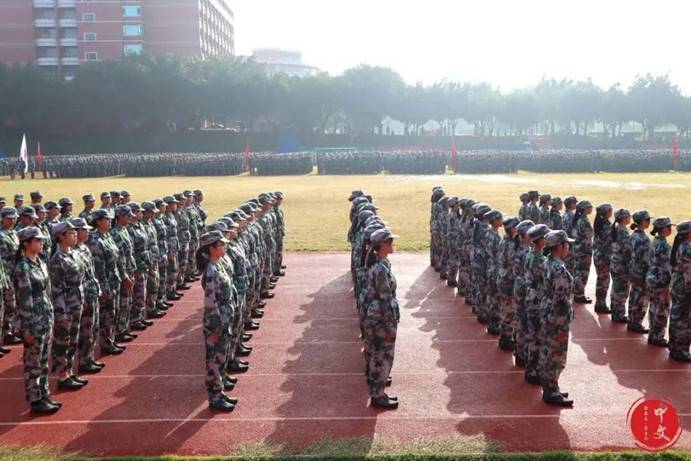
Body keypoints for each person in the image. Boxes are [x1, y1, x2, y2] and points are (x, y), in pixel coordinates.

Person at [15, 226, 61, 414]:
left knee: (43, 361)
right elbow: (24, 300)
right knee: (33, 363)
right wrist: (27, 329)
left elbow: (47, 292)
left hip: (45, 318)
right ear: (26, 243)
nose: (42, 242)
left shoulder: (40, 262)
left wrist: (51, 317)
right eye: (37, 240)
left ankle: (44, 394)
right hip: (33, 321)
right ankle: (35, 400)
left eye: (42, 240)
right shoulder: (23, 267)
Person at [198, 230, 238, 412]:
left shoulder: (218, 265)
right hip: (216, 322)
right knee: (214, 361)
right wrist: (215, 327)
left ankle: (220, 393)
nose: (224, 246)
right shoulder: (211, 271)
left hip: (224, 317)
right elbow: (210, 302)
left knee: (221, 357)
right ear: (212, 249)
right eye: (220, 244)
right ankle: (214, 398)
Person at [49, 221, 88, 391]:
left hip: (76, 303)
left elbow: (80, 280)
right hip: (65, 307)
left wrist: (82, 300)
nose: (75, 235)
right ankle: (62, 376)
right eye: (71, 233)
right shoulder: (57, 260)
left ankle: (70, 372)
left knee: (73, 339)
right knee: (62, 342)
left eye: (74, 232)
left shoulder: (74, 254)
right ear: (61, 237)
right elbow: (56, 289)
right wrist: (61, 312)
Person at [364, 228, 400, 409]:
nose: (393, 244)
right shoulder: (380, 269)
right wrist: (386, 327)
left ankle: (377, 391)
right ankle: (377, 395)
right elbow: (385, 299)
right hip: (381, 318)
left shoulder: (382, 264)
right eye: (390, 241)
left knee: (378, 355)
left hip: (378, 315)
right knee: (382, 357)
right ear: (382, 245)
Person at [540, 230, 575, 407]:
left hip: (548, 311)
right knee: (556, 354)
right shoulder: (558, 268)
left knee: (549, 350)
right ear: (559, 247)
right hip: (557, 316)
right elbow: (560, 296)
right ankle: (551, 390)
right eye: (566, 244)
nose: (568, 247)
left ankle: (551, 386)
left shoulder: (548, 262)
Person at [88, 209, 125, 356]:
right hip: (106, 283)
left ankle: (111, 340)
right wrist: (105, 288)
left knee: (113, 313)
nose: (110, 221)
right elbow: (99, 268)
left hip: (113, 281)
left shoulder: (107, 237)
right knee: (107, 315)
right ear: (98, 222)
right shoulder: (96, 241)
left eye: (110, 219)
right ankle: (106, 343)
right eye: (107, 219)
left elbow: (116, 258)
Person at [72, 218, 105, 374]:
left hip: (92, 291)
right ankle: (84, 361)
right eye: (83, 230)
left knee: (93, 327)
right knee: (85, 330)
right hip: (83, 295)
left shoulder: (84, 248)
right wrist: (82, 298)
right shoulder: (73, 252)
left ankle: (89, 358)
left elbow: (92, 272)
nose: (87, 233)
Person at [523, 223, 549, 385]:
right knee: (537, 337)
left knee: (532, 335)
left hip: (531, 297)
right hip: (537, 300)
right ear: (540, 240)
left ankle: (531, 369)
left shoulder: (531, 254)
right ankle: (533, 371)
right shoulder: (540, 260)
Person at [647, 217, 673, 347]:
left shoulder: (653, 242)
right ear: (664, 229)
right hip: (661, 280)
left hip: (652, 278)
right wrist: (668, 284)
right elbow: (667, 267)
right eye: (669, 227)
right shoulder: (665, 246)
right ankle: (657, 337)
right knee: (662, 310)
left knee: (653, 307)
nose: (670, 229)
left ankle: (653, 334)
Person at [513, 219, 534, 368]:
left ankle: (519, 352)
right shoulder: (526, 251)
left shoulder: (519, 247)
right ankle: (521, 353)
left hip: (519, 285)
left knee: (520, 321)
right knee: (524, 322)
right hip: (524, 288)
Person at [669, 221, 691, 362]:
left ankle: (674, 346)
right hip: (684, 288)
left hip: (677, 284)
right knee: (684, 320)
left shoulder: (679, 246)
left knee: (676, 316)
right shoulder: (687, 249)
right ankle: (680, 350)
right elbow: (689, 273)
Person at [628, 210, 652, 333]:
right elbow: (647, 259)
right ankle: (636, 323)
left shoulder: (634, 235)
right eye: (648, 220)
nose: (649, 222)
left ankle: (632, 320)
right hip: (641, 271)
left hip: (634, 269)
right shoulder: (643, 238)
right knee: (640, 298)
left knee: (634, 295)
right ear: (642, 221)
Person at [497, 217, 519, 351]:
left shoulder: (505, 240)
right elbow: (513, 264)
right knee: (509, 311)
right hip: (508, 281)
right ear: (512, 229)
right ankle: (505, 339)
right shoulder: (510, 244)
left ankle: (506, 336)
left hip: (504, 278)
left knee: (506, 309)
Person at [610, 209, 632, 323]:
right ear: (624, 218)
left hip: (615, 262)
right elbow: (627, 250)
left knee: (616, 289)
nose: (630, 218)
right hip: (621, 265)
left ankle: (615, 312)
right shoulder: (622, 231)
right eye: (628, 216)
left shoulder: (617, 228)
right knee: (621, 291)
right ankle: (619, 315)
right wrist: (630, 265)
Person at [572, 200, 594, 304]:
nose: (591, 208)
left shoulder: (580, 219)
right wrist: (588, 252)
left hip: (579, 249)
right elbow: (587, 237)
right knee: (583, 273)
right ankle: (579, 294)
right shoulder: (583, 221)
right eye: (589, 207)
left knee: (578, 271)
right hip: (583, 250)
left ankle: (577, 291)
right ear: (585, 209)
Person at [592, 204, 613, 314]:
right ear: (606, 212)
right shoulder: (605, 226)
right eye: (610, 210)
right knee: (603, 282)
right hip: (603, 257)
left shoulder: (601, 223)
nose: (611, 212)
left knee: (602, 280)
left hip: (599, 255)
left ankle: (600, 303)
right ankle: (600, 304)